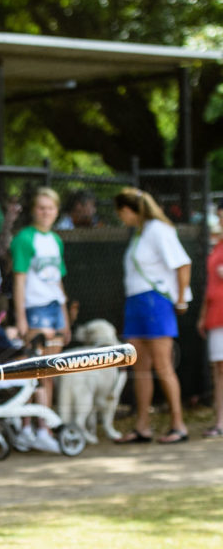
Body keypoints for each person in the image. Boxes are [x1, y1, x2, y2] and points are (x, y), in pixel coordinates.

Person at [112, 187, 191, 445]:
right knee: (140, 367)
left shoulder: (159, 229)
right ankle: (142, 427)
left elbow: (183, 264)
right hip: (135, 303)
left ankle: (178, 425)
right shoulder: (139, 233)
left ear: (127, 210)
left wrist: (180, 299)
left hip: (155, 302)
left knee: (163, 364)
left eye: (120, 213)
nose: (120, 218)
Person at [10, 187, 70, 452]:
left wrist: (65, 316)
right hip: (36, 310)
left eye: (51, 208)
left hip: (55, 308)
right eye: (41, 207)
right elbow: (19, 279)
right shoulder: (24, 238)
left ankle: (41, 427)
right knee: (36, 371)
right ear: (34, 210)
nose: (46, 213)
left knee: (50, 373)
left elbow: (58, 279)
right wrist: (21, 316)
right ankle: (31, 428)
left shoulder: (56, 240)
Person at [197, 213, 223, 438]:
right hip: (216, 315)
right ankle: (220, 422)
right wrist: (203, 316)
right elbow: (210, 285)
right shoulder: (216, 248)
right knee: (218, 369)